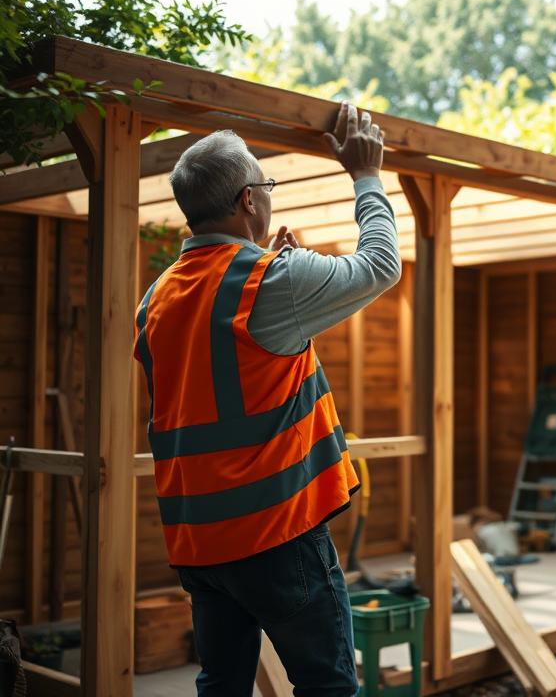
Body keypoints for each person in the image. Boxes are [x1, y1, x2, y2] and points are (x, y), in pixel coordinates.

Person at [133, 102, 400, 696]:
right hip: (277, 536)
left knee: (222, 685)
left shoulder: (155, 300)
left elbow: (225, 375)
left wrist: (274, 267)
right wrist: (365, 175)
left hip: (199, 543)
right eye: (267, 184)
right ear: (248, 200)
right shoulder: (268, 284)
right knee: (327, 688)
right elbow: (381, 264)